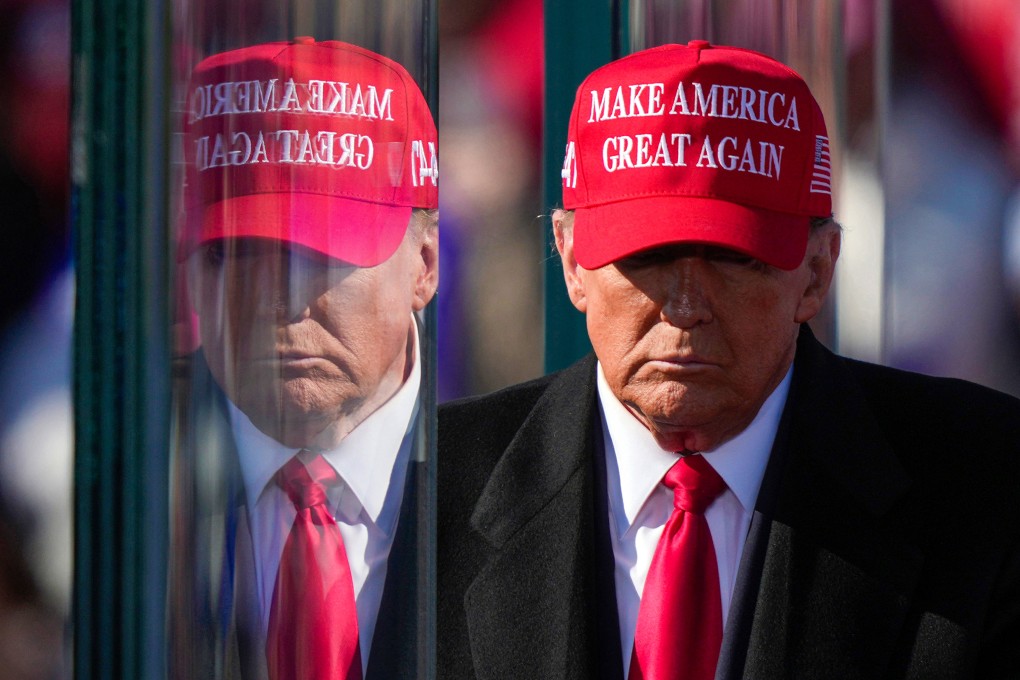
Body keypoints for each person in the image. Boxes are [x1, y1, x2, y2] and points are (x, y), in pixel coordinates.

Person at [438, 41, 1020, 679]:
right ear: (573, 262)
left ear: (817, 271)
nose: (686, 307)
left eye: (734, 258)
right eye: (645, 257)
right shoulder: (426, 491)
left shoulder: (988, 489)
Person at [169, 38, 438, 680]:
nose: (280, 301)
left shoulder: (537, 478)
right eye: (234, 255)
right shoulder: (115, 482)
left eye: (322, 255)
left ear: (424, 264)